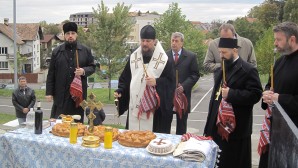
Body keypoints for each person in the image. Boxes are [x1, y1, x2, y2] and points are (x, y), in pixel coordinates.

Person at [203, 37, 262, 168]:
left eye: (224, 52)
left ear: (235, 50)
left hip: (236, 130)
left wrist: (232, 94)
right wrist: (208, 128)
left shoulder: (248, 70)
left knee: (233, 162)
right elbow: (215, 98)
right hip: (217, 128)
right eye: (219, 52)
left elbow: (256, 94)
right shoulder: (220, 69)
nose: (221, 56)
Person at [114, 25, 175, 133]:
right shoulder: (134, 58)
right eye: (142, 40)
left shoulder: (164, 60)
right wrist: (120, 90)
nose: (145, 44)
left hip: (154, 113)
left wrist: (157, 82)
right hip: (134, 108)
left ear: (154, 41)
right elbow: (125, 79)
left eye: (148, 41)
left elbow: (171, 83)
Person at [258, 21, 298, 168]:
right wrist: (267, 93)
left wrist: (279, 98)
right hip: (274, 129)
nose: (275, 43)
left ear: (292, 39)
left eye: (278, 39)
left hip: (293, 133)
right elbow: (270, 84)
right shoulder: (279, 61)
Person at [46, 22, 95, 123]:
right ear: (64, 35)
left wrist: (83, 71)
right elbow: (51, 74)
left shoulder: (85, 50)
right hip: (60, 96)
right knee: (59, 125)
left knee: (77, 126)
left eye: (73, 33)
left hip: (78, 98)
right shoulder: (57, 51)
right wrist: (49, 92)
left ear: (76, 34)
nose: (70, 36)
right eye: (68, 33)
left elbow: (92, 67)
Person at [166, 32, 200, 135]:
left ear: (182, 43)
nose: (174, 43)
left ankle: (180, 146)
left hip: (183, 96)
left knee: (181, 125)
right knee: (166, 124)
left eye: (176, 41)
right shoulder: (164, 56)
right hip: (168, 96)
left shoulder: (191, 56)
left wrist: (184, 86)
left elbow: (195, 75)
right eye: (172, 40)